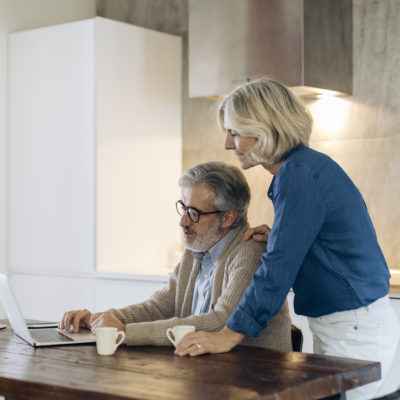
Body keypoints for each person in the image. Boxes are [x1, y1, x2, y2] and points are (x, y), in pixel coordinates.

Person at [175, 79, 400, 400]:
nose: (227, 144)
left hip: (353, 329)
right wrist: (282, 236)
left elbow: (277, 270)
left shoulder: (297, 176)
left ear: (264, 130)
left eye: (235, 133)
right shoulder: (303, 168)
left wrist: (229, 334)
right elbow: (320, 241)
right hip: (351, 325)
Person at [59, 161, 292, 350]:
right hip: (210, 374)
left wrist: (127, 332)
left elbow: (220, 322)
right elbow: (158, 307)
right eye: (183, 207)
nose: (183, 221)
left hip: (256, 380)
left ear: (228, 218)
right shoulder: (196, 250)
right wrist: (103, 320)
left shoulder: (250, 250)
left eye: (194, 213)